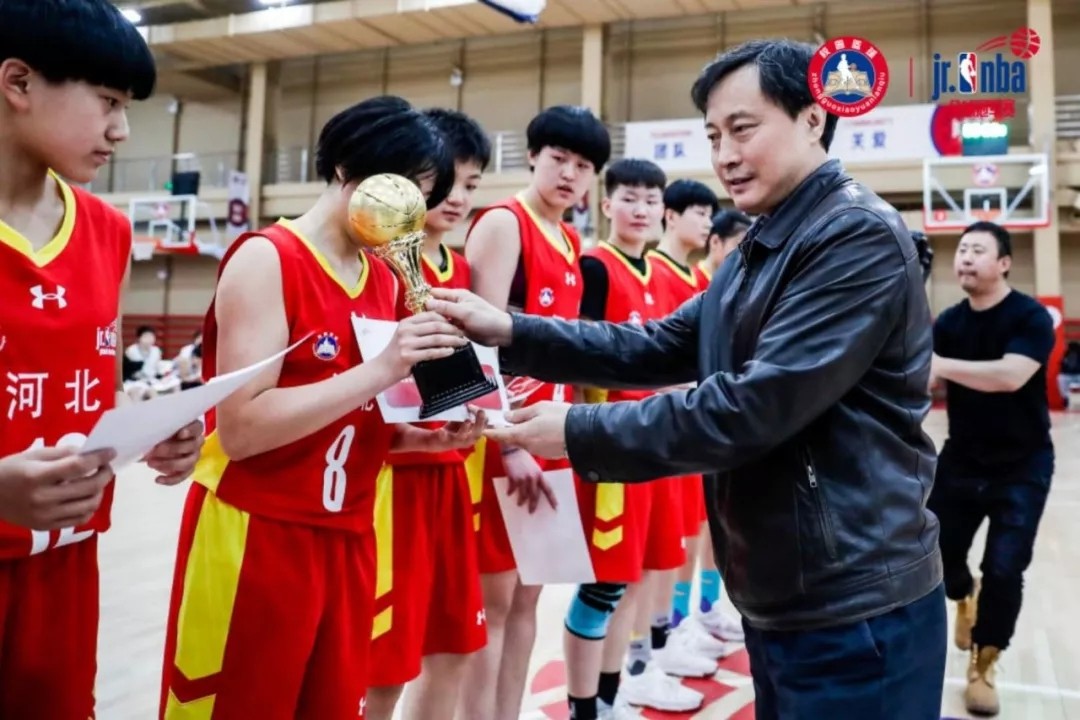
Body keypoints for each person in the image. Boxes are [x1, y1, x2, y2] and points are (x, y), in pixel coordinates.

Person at [430, 38, 947, 720]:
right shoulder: (765, 244)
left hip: (854, 599)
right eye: (712, 136)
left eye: (743, 129)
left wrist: (578, 429)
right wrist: (513, 330)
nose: (724, 154)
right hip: (791, 589)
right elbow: (658, 344)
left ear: (813, 118)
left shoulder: (852, 237)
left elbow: (752, 408)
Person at [159, 96, 485, 720]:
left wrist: (418, 440)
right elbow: (242, 428)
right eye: (402, 187)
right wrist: (381, 368)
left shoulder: (383, 276)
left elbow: (353, 414)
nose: (409, 211)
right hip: (258, 532)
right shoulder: (267, 257)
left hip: (351, 533)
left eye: (421, 197)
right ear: (345, 167)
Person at [0, 1, 203, 717]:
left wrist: (152, 428)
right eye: (108, 102)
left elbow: (94, 391)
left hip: (65, 561)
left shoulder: (108, 230)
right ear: (18, 83)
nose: (122, 130)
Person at [457, 104, 609, 720]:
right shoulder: (502, 223)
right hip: (504, 442)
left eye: (584, 166)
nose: (570, 174)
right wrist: (510, 444)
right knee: (492, 607)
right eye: (559, 159)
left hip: (552, 435)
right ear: (533, 158)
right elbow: (476, 343)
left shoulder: (570, 240)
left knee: (528, 601)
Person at [567, 159, 707, 720]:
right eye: (629, 198)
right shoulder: (595, 267)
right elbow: (579, 363)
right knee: (602, 586)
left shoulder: (651, 272)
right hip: (611, 451)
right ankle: (584, 707)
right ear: (606, 205)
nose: (641, 209)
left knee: (630, 580)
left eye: (651, 200)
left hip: (653, 446)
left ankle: (610, 694)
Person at [365, 108, 491, 720]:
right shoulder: (375, 264)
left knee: (454, 647)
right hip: (391, 482)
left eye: (470, 184)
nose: (456, 196)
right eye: (443, 181)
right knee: (384, 666)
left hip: (452, 475)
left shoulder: (461, 272)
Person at [928, 221, 1055, 717]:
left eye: (977, 250)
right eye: (961, 249)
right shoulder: (948, 324)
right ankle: (965, 595)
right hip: (962, 458)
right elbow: (922, 382)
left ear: (1003, 263)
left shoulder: (1030, 317)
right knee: (935, 554)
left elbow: (1011, 375)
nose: (964, 257)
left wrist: (940, 366)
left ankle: (984, 663)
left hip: (1022, 465)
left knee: (1004, 568)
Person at [647, 179, 743, 649]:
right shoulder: (658, 272)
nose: (705, 222)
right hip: (669, 426)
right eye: (700, 214)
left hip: (701, 425)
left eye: (709, 214)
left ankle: (696, 612)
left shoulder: (698, 283)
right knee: (666, 545)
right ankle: (665, 632)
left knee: (700, 528)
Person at [694, 208, 751, 283]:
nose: (743, 254)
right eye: (739, 246)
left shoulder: (734, 282)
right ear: (715, 242)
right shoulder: (693, 282)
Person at [1060, 341, 1080, 408]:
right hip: (1069, 375)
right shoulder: (1067, 354)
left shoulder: (1071, 354)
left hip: (1073, 375)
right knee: (1068, 392)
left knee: (1066, 392)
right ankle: (1068, 401)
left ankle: (1068, 402)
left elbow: (1071, 366)